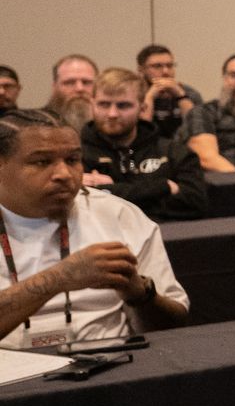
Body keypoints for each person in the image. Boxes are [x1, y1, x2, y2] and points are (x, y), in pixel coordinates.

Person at [0, 109, 189, 350]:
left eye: (72, 160)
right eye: (42, 162)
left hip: (108, 370)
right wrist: (61, 277)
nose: (63, 174)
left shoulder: (119, 215)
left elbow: (174, 328)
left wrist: (139, 294)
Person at [79, 68, 208, 221]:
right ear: (92, 104)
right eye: (104, 105)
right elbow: (82, 210)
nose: (112, 114)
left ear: (143, 108)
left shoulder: (173, 151)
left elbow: (196, 204)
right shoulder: (74, 155)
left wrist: (110, 190)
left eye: (123, 106)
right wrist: (162, 187)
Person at [134, 44, 202, 138]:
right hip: (148, 147)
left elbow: (197, 128)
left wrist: (180, 95)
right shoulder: (134, 94)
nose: (165, 71)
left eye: (169, 66)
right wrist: (150, 96)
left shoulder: (189, 93)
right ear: (141, 70)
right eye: (157, 66)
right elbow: (142, 131)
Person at [45, 54, 97, 131]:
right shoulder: (36, 125)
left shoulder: (114, 128)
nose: (80, 88)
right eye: (70, 82)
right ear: (54, 87)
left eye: (86, 82)